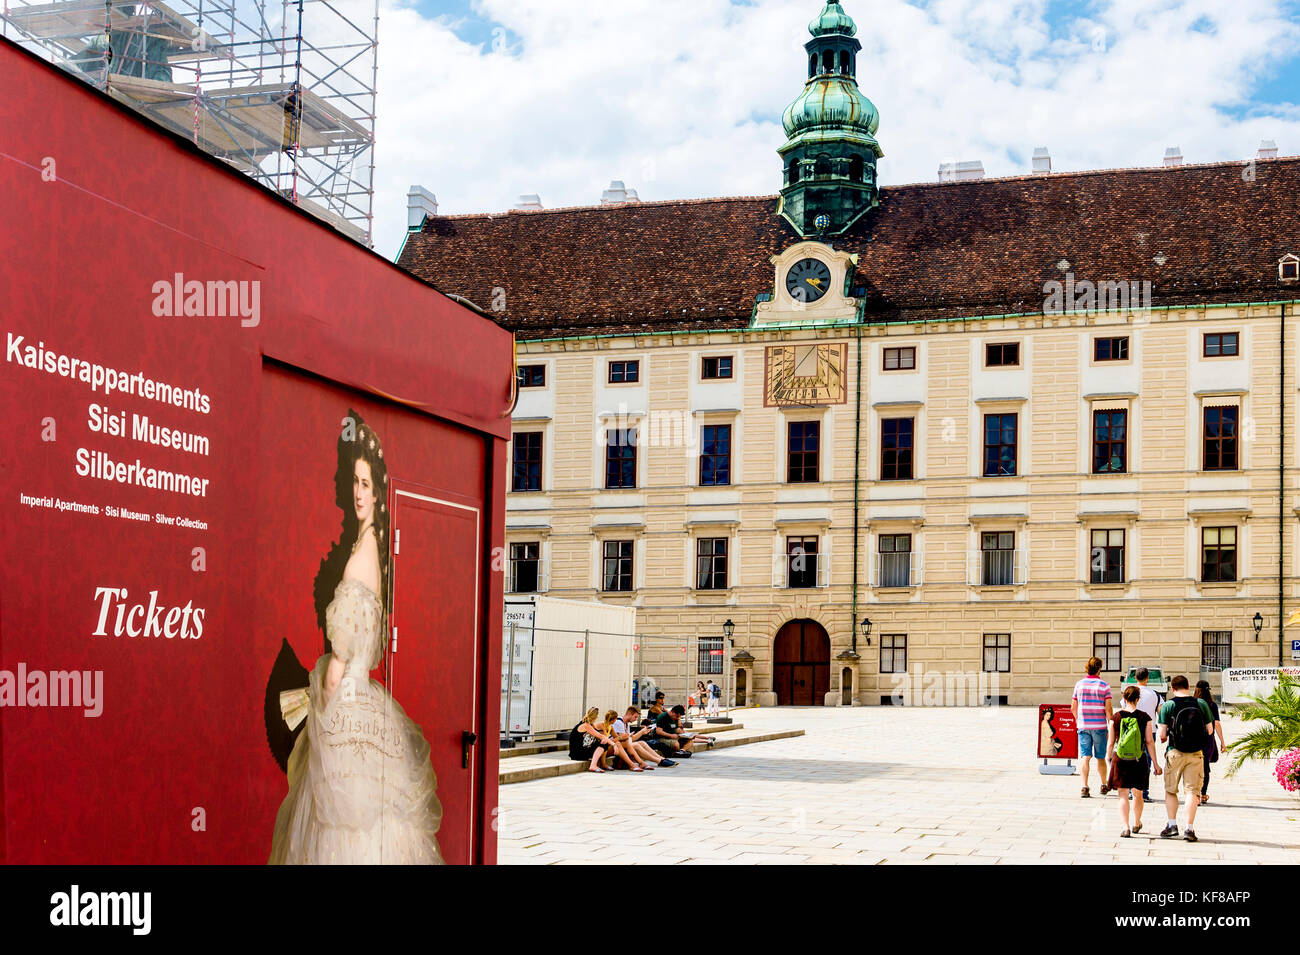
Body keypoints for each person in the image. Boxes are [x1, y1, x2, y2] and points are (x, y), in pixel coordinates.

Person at [270, 418, 444, 864]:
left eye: (366, 483)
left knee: (335, 826)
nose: (358, 492)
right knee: (375, 821)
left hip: (345, 702)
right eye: (354, 482)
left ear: (379, 491)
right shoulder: (374, 552)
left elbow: (338, 665)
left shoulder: (359, 561)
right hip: (367, 703)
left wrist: (322, 703)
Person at [1158, 675, 1215, 842]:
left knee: (1171, 790)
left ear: (1173, 689)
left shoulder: (1168, 705)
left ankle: (1172, 825)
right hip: (1196, 754)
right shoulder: (1201, 703)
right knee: (1192, 792)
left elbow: (1162, 734)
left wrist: (1166, 735)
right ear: (1188, 686)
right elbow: (1210, 730)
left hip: (1175, 752)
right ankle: (1189, 829)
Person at [1107, 685, 1161, 837]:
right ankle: (1137, 823)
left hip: (1121, 758)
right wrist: (1155, 763)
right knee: (1138, 794)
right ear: (1138, 699)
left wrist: (1109, 758)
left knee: (1123, 794)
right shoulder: (1145, 717)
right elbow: (1149, 742)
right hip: (1139, 759)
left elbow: (1111, 742)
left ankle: (1125, 827)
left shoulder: (1116, 718)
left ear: (1124, 698)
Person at [1071, 656, 1114, 798]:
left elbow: (1073, 707)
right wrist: (1111, 725)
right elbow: (1108, 710)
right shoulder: (1104, 686)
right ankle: (1103, 784)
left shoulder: (1079, 685)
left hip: (1083, 726)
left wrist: (1079, 720)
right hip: (1100, 726)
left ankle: (1084, 786)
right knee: (1100, 757)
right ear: (1099, 668)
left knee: (1085, 756)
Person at [1194, 680, 1226, 806]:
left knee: (1194, 767)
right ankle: (1203, 794)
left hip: (1194, 739)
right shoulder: (1212, 705)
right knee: (1205, 768)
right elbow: (1216, 723)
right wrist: (1222, 742)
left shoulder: (1193, 703)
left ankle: (1194, 794)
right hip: (1208, 740)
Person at [1133, 668, 1162, 801]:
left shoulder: (1131, 692)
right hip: (1150, 731)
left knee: (1132, 762)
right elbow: (1161, 713)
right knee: (1146, 763)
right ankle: (1144, 792)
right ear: (1147, 678)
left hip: (1132, 732)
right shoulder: (1155, 694)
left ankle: (1131, 791)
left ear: (1135, 678)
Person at [569, 706, 616, 773]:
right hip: (577, 754)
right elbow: (600, 736)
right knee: (604, 744)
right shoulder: (585, 725)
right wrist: (614, 745)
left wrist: (604, 739)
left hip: (581, 750)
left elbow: (601, 736)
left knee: (604, 742)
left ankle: (603, 764)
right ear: (595, 717)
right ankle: (593, 765)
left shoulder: (590, 724)